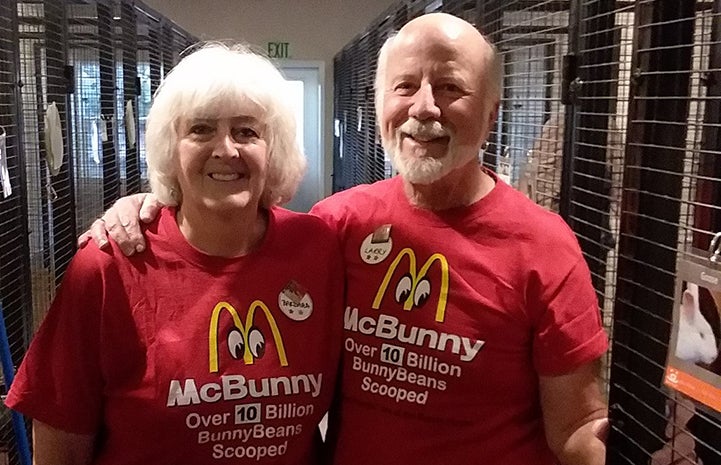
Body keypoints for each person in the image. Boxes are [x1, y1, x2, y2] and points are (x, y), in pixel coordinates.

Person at [81, 13, 609, 465]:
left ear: (492, 113)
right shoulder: (337, 225)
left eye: (450, 87)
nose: (425, 107)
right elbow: (227, 228)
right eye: (405, 87)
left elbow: (578, 425)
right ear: (380, 104)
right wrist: (148, 205)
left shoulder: (544, 245)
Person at [8, 43, 343, 465]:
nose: (226, 150)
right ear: (171, 147)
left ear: (273, 150)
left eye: (247, 131)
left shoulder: (319, 249)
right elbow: (61, 443)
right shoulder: (112, 262)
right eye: (201, 129)